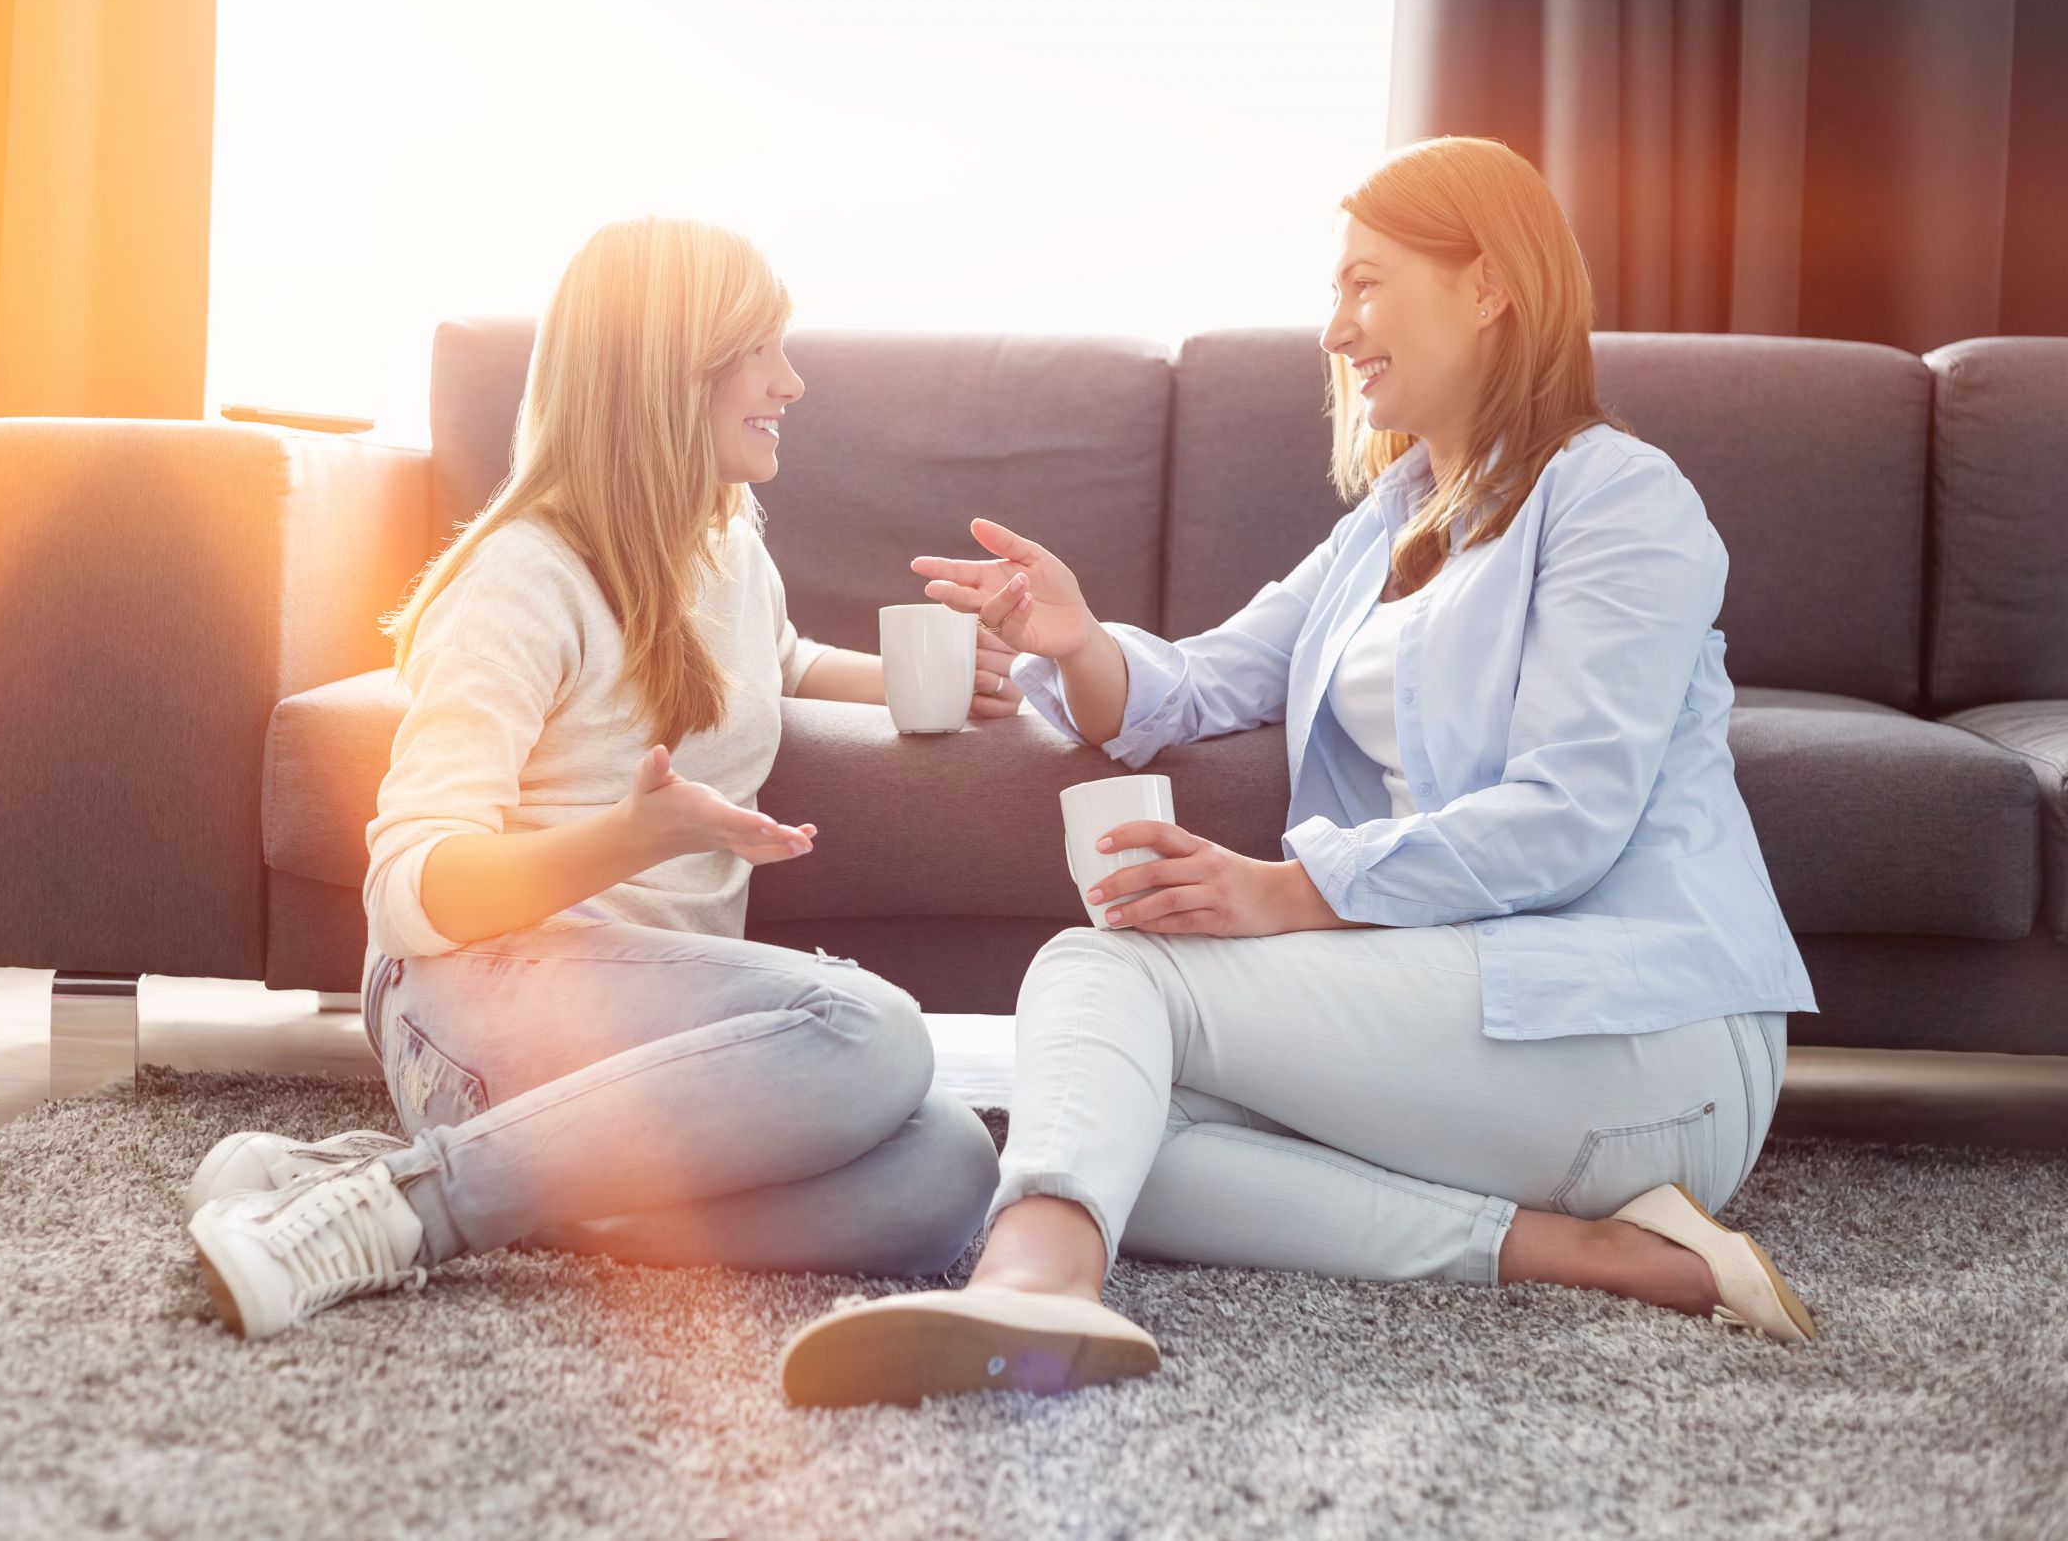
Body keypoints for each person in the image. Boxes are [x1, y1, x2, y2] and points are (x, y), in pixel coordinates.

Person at [779, 137, 1822, 1408]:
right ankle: (1585, 1252)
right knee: (1112, 1116)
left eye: (1365, 285)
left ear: (1489, 286)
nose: (1334, 331)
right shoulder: (1391, 522)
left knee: (1100, 972)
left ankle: (1033, 1287)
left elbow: (1567, 820)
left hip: (1637, 1027)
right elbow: (1199, 684)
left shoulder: (1618, 497)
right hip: (1468, 1012)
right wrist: (1074, 637)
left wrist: (1283, 893)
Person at [182, 217, 1008, 1340]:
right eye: (758, 350)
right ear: (671, 368)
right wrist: (625, 840)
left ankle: (377, 1179)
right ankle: (405, 1214)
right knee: (872, 1029)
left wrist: (940, 681)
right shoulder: (523, 577)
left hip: (645, 1052)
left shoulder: (726, 546)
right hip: (469, 1002)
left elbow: (779, 662)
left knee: (947, 1169)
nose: (792, 381)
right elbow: (409, 890)